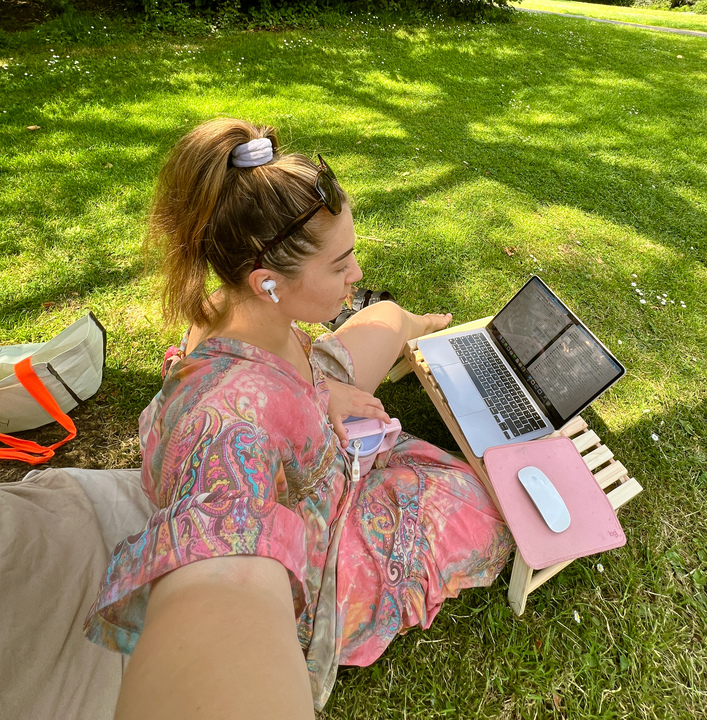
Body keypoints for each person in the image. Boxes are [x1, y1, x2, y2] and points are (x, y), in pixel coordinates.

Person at [84, 118, 514, 719]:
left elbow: (290, 365)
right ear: (268, 283)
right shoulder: (230, 428)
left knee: (385, 316)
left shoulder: (227, 305)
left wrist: (320, 389)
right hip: (320, 545)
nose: (355, 275)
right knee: (481, 505)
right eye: (341, 266)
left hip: (313, 393)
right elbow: (222, 584)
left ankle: (424, 327)